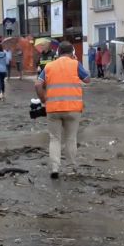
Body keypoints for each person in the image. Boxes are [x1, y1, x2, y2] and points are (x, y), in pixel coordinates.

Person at [35, 41, 90, 179]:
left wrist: (43, 100)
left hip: (53, 108)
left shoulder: (49, 66)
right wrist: (76, 61)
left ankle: (54, 168)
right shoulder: (75, 64)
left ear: (58, 52)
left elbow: (37, 84)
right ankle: (71, 168)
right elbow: (87, 79)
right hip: (73, 108)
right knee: (71, 138)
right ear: (72, 52)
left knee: (54, 139)